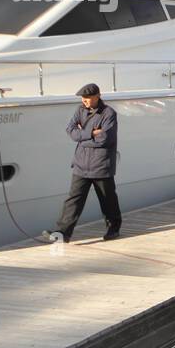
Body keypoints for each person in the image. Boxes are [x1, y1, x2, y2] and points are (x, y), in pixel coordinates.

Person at [49, 83, 121, 243]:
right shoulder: (80, 110)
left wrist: (82, 136)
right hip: (81, 164)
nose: (84, 101)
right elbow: (70, 131)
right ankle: (62, 234)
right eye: (83, 98)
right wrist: (91, 133)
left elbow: (105, 139)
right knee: (73, 200)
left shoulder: (109, 113)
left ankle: (113, 229)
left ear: (97, 96)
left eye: (87, 98)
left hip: (101, 165)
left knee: (107, 199)